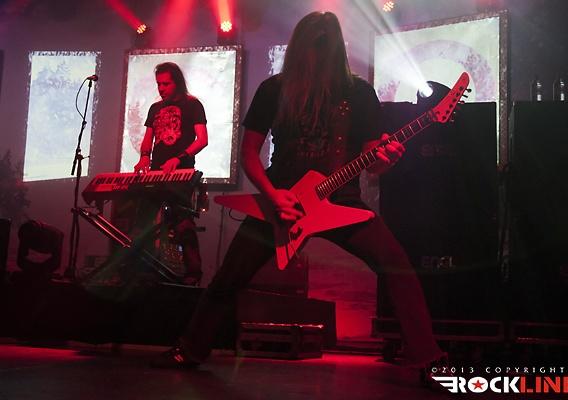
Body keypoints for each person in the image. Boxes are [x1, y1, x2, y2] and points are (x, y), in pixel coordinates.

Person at [155, 11, 445, 375]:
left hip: (341, 201)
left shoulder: (359, 93)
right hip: (281, 202)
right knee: (230, 276)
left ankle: (427, 357)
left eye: (326, 48)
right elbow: (249, 153)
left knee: (397, 265)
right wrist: (273, 194)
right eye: (314, 48)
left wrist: (388, 159)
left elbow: (372, 161)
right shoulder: (274, 89)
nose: (319, 57)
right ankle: (190, 349)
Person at [133, 62, 208, 286]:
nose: (161, 88)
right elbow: (148, 139)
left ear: (177, 82)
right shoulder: (155, 108)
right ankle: (142, 270)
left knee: (182, 222)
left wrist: (179, 158)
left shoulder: (193, 104)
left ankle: (193, 273)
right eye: (159, 84)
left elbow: (202, 140)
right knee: (144, 221)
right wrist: (144, 157)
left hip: (181, 172)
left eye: (166, 84)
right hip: (156, 173)